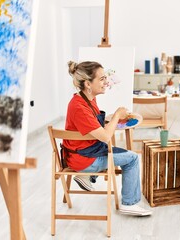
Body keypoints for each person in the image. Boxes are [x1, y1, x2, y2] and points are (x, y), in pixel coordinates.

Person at [62, 60, 152, 216]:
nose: (106, 82)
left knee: (120, 152)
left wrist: (110, 119)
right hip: (84, 159)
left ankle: (89, 177)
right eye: (102, 78)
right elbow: (104, 137)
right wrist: (117, 115)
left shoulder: (85, 98)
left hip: (83, 153)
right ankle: (129, 204)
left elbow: (92, 127)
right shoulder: (79, 106)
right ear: (88, 84)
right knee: (132, 158)